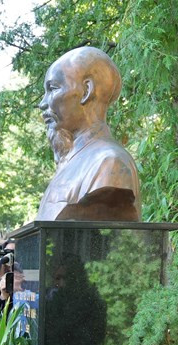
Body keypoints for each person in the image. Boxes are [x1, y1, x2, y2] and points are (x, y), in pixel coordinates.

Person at [36, 46, 140, 221]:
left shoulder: (108, 162)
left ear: (86, 91)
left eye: (53, 89)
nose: (42, 103)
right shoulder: (74, 161)